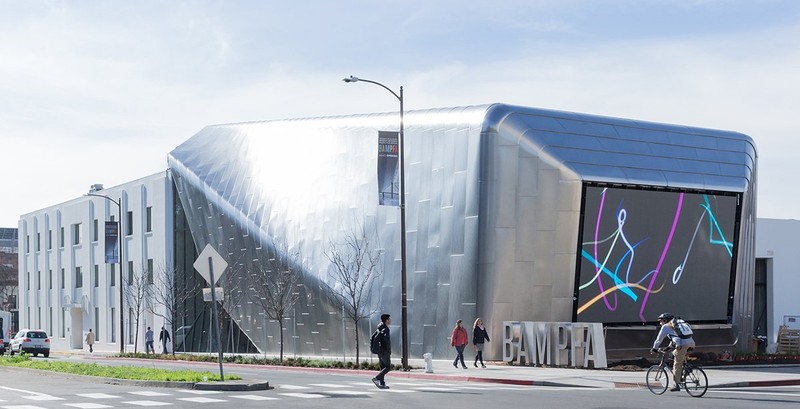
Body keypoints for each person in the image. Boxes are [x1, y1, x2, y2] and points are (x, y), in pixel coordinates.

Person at [651, 312, 696, 392]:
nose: (660, 323)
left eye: (661, 321)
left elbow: (659, 339)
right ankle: (686, 368)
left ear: (665, 320)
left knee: (677, 364)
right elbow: (675, 337)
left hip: (683, 345)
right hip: (691, 343)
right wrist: (669, 347)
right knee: (674, 354)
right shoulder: (678, 323)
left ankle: (676, 385)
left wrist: (654, 348)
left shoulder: (665, 326)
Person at [371, 314, 392, 389]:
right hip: (384, 350)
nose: (390, 320)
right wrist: (389, 350)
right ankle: (377, 378)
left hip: (379, 350)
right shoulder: (385, 329)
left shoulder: (379, 328)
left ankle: (382, 383)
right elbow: (386, 341)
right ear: (386, 320)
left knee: (383, 366)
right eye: (389, 319)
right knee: (388, 367)